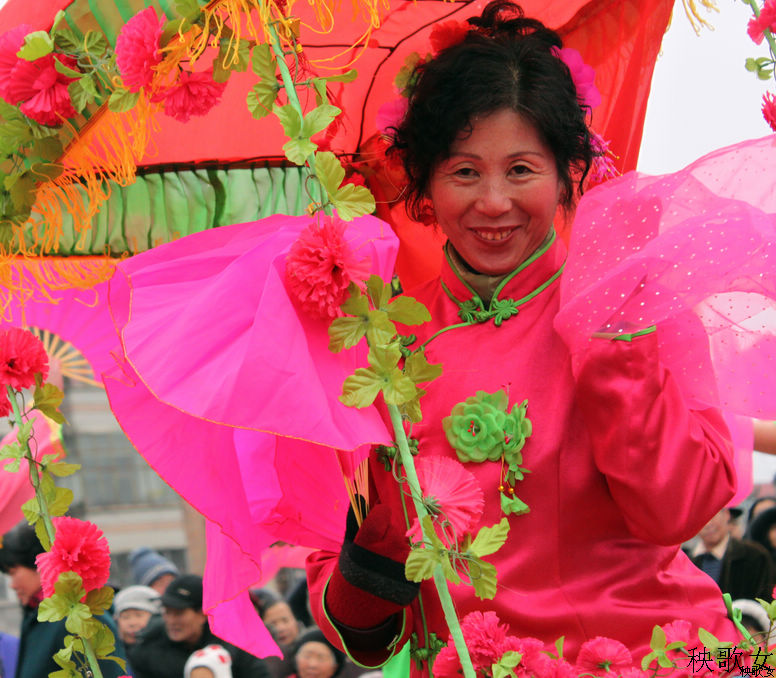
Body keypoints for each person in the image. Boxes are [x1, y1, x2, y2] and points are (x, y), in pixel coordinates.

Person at [305, 1, 741, 672]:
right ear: (423, 187)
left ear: (570, 172)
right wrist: (381, 542)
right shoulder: (383, 347)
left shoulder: (631, 300)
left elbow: (676, 512)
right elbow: (365, 640)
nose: (493, 202)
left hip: (642, 656)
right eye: (463, 171)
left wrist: (609, 346)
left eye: (520, 169)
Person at [0, 522, 126, 678]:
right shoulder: (37, 616)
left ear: (37, 564)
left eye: (13, 572)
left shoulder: (80, 617)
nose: (12, 585)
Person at [128, 573, 271, 678]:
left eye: (178, 613)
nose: (171, 621)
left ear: (203, 615)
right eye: (167, 612)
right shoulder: (148, 648)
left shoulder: (236, 644)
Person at [690, 508, 774, 601]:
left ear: (726, 514)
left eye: (713, 515)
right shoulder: (686, 562)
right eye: (701, 518)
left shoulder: (754, 555)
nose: (708, 524)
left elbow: (764, 601)